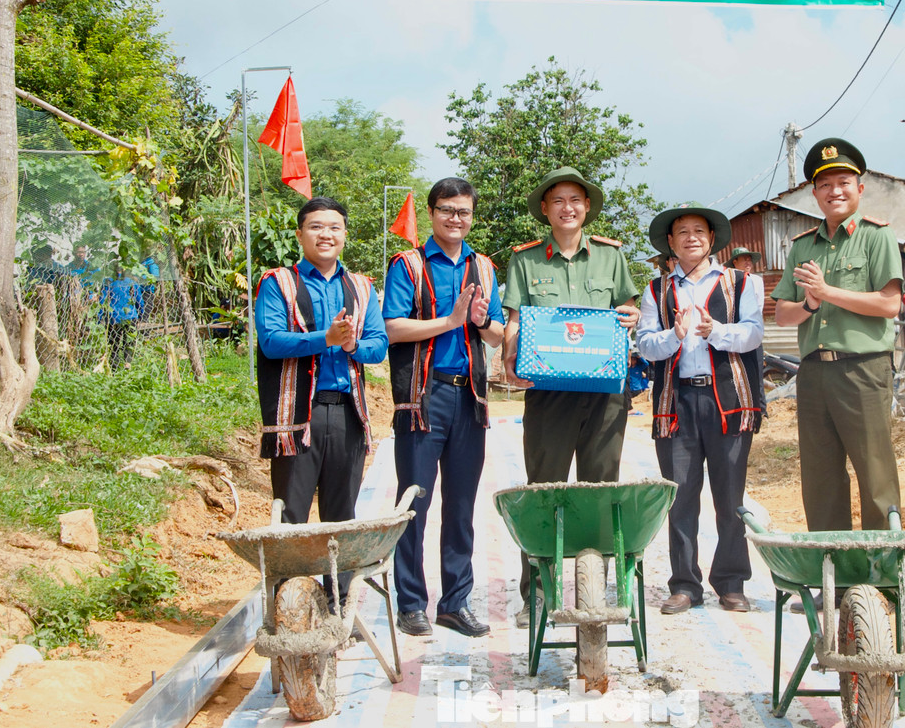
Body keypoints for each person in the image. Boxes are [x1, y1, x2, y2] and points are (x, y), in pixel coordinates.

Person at [502, 166, 640, 624]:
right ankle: (537, 593)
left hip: (605, 395)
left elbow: (628, 308)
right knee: (545, 490)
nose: (568, 207)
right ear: (545, 209)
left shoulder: (611, 257)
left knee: (601, 490)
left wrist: (631, 316)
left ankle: (593, 591)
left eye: (576, 200)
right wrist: (509, 360)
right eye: (558, 200)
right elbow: (517, 321)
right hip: (549, 394)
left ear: (586, 208)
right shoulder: (525, 261)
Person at [383, 178, 504, 639]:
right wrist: (449, 322)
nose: (456, 219)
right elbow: (392, 328)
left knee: (461, 505)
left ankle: (455, 602)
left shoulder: (484, 268)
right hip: (422, 396)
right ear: (432, 213)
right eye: (447, 210)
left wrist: (481, 322)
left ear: (473, 216)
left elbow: (496, 335)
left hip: (469, 397)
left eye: (464, 212)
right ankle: (411, 603)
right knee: (414, 502)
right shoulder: (409, 265)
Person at [771, 138, 904, 535]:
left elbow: (889, 304)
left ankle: (882, 576)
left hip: (863, 370)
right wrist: (810, 305)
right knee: (821, 478)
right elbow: (782, 313)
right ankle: (834, 578)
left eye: (843, 182)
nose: (835, 192)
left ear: (859, 188)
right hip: (813, 374)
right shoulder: (803, 246)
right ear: (815, 194)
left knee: (875, 474)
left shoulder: (877, 237)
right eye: (826, 185)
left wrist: (828, 293)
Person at [636, 205, 764, 615]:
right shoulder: (655, 291)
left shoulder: (742, 283)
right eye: (682, 232)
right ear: (670, 243)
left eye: (699, 231)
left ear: (712, 239)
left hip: (727, 402)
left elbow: (753, 334)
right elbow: (645, 345)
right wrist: (673, 335)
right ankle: (685, 584)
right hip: (676, 404)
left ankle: (731, 582)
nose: (691, 237)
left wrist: (717, 332)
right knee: (681, 497)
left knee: (730, 498)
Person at [254, 197, 387, 569]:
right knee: (292, 515)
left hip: (347, 414)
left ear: (344, 234)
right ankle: (287, 607)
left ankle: (338, 606)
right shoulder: (278, 282)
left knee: (342, 516)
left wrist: (352, 345)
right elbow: (271, 341)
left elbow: (378, 347)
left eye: (334, 227)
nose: (325, 234)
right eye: (315, 227)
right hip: (298, 415)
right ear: (300, 234)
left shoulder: (360, 287)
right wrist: (323, 339)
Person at [99, 266, 144, 369]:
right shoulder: (132, 282)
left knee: (113, 344)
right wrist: (140, 315)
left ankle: (114, 367)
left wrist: (100, 317)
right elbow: (139, 301)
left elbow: (102, 300)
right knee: (129, 342)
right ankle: (128, 363)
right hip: (130, 316)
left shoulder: (108, 282)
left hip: (114, 317)